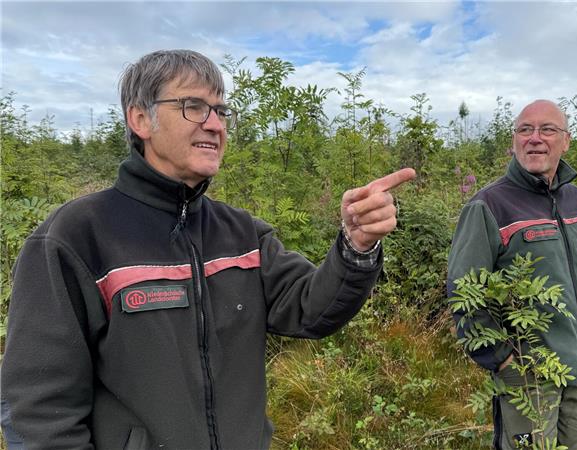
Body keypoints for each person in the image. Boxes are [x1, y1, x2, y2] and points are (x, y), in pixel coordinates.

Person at [0, 49, 415, 449]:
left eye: (221, 110)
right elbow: (39, 410)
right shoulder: (75, 239)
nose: (215, 124)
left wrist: (356, 245)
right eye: (193, 106)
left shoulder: (240, 233)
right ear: (140, 118)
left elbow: (310, 309)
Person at [447, 99, 577, 450]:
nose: (535, 138)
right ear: (514, 141)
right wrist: (502, 360)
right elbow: (463, 292)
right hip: (529, 376)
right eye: (525, 130)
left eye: (547, 129)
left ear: (566, 140)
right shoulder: (489, 206)